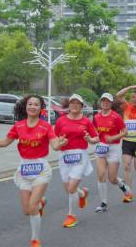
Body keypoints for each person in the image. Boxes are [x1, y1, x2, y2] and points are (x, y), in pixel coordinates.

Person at [0, 95, 67, 247]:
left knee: (32, 207)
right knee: (27, 210)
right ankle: (40, 203)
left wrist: (61, 143)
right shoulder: (18, 126)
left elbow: (55, 145)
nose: (32, 107)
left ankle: (35, 240)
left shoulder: (46, 126)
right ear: (26, 107)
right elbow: (5, 142)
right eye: (30, 104)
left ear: (41, 108)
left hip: (41, 170)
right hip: (24, 170)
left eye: (36, 104)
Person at [54, 94, 100, 228]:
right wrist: (60, 143)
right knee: (68, 189)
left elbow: (96, 137)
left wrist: (90, 140)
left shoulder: (86, 121)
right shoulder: (61, 120)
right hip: (65, 156)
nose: (74, 105)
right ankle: (82, 193)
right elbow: (54, 138)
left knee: (71, 187)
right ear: (69, 105)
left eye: (77, 103)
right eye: (72, 103)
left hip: (80, 155)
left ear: (81, 106)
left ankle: (71, 216)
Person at [92, 93, 129, 212]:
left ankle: (122, 185)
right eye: (103, 100)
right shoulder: (96, 117)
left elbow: (125, 132)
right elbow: (95, 132)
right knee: (101, 175)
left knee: (112, 178)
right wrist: (91, 138)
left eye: (107, 101)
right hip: (101, 147)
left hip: (114, 147)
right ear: (100, 102)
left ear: (111, 103)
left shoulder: (116, 117)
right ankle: (103, 203)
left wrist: (113, 138)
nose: (105, 102)